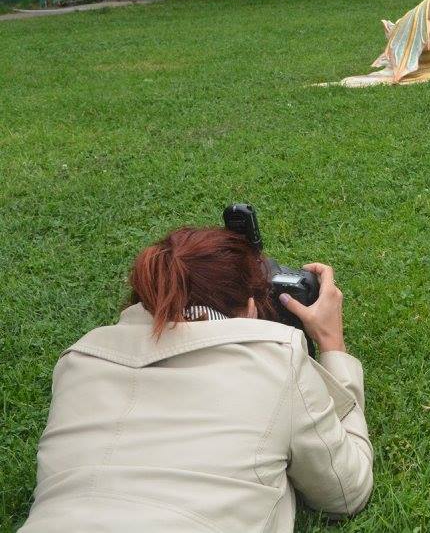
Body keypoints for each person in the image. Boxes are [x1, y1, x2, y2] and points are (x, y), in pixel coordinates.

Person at [19, 227, 373, 532]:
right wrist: (332, 345)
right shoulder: (276, 358)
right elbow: (346, 492)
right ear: (250, 309)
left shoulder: (78, 360)